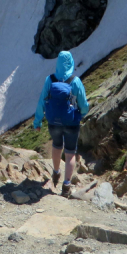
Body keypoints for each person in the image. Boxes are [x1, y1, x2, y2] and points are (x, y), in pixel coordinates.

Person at [33, 51, 89, 198]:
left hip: (53, 122)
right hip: (71, 122)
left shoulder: (49, 80)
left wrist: (37, 121)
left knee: (57, 146)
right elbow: (83, 104)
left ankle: (56, 172)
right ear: (71, 63)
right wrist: (80, 114)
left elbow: (42, 102)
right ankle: (66, 185)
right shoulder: (75, 81)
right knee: (70, 153)